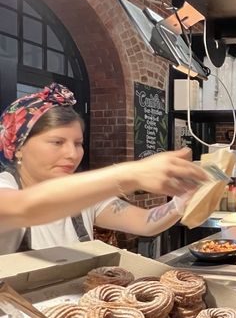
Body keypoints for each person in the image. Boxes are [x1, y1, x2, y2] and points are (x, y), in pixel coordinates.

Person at [0, 83, 206, 253]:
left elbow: (145, 223)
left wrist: (183, 200)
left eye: (78, 143)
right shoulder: (5, 187)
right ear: (18, 148)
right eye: (57, 142)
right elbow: (25, 208)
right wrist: (131, 174)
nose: (72, 154)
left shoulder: (83, 196)